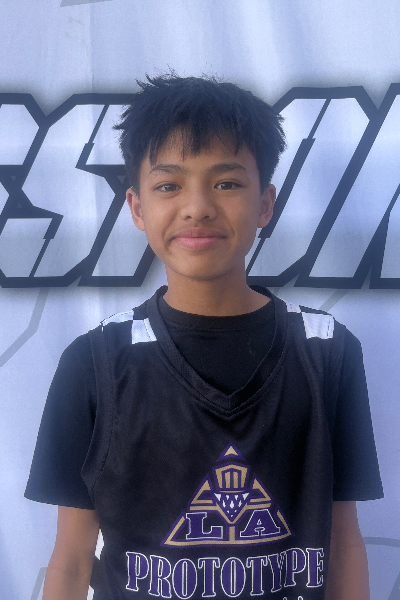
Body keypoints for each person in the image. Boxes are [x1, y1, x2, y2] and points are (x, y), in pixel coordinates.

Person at [25, 74, 383, 600]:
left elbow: (344, 540)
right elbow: (72, 560)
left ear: (265, 203)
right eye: (169, 185)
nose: (197, 207)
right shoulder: (94, 362)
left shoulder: (328, 351)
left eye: (227, 183)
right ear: (137, 208)